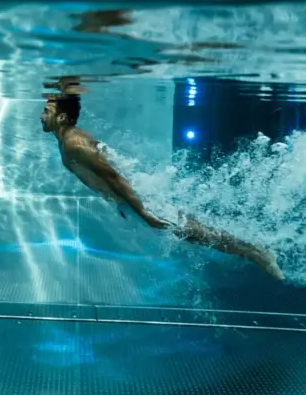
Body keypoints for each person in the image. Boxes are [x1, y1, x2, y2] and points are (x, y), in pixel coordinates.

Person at [41, 94, 284, 281]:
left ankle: (256, 253)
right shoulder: (70, 139)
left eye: (46, 111)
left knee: (196, 234)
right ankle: (253, 251)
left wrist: (144, 212)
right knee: (194, 232)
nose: (41, 116)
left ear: (62, 117)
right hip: (134, 198)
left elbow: (113, 176)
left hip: (138, 199)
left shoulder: (74, 143)